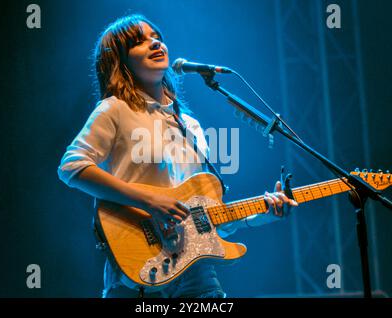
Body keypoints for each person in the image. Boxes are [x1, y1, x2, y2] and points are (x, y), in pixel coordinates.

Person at [57, 14, 297, 298]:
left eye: (156, 36)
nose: (155, 42)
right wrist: (149, 200)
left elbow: (204, 217)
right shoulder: (114, 109)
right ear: (120, 61)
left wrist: (262, 213)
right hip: (137, 270)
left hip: (196, 274)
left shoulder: (190, 126)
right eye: (139, 41)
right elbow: (71, 167)